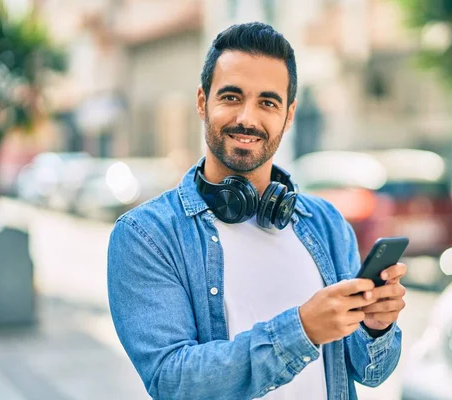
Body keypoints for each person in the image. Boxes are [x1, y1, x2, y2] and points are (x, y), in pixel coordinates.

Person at [107, 22, 407, 400]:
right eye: (231, 97)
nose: (248, 118)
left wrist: (378, 328)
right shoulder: (146, 235)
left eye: (268, 102)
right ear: (203, 102)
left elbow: (370, 371)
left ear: (289, 114)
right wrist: (302, 330)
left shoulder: (328, 224)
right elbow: (172, 382)